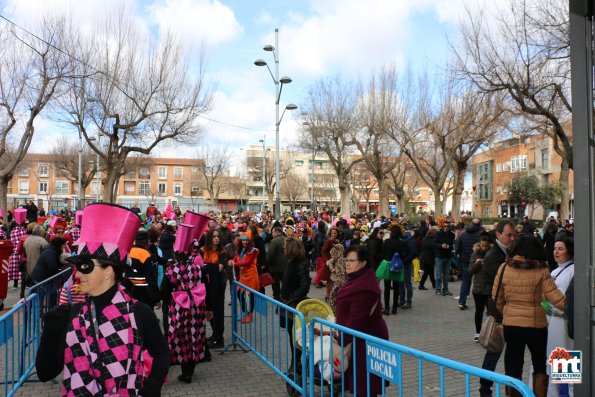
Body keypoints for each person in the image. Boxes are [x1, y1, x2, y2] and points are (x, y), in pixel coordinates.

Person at [35, 203, 169, 396]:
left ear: (108, 272)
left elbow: (162, 353)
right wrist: (51, 331)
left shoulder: (140, 313)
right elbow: (45, 373)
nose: (78, 273)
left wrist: (152, 386)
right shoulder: (71, 315)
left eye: (86, 266)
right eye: (78, 265)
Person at [493, 235, 565, 397]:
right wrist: (570, 307)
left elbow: (496, 298)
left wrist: (507, 312)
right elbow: (554, 297)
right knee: (539, 364)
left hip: (511, 325)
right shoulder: (541, 270)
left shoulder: (504, 267)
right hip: (536, 326)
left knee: (513, 366)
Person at [160, 223, 212, 384]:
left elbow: (164, 292)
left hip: (179, 309)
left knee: (180, 338)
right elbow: (205, 287)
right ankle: (190, 371)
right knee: (194, 336)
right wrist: (209, 308)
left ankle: (183, 370)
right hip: (196, 307)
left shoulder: (172, 271)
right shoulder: (197, 268)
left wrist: (168, 301)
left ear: (176, 253)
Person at [335, 245, 389, 396]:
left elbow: (357, 320)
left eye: (352, 260)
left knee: (366, 386)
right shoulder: (357, 279)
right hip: (358, 340)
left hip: (366, 341)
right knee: (362, 384)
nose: (347, 263)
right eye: (346, 260)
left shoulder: (364, 287)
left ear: (363, 262)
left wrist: (340, 339)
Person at [479, 220, 516, 396]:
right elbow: (496, 290)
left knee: (510, 353)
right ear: (498, 235)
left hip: (513, 312)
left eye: (513, 234)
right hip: (500, 313)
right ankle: (485, 387)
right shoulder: (493, 257)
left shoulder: (510, 252)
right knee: (494, 351)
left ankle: (510, 386)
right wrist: (497, 317)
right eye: (509, 234)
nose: (512, 238)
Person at [545, 238, 574, 397]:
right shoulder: (554, 271)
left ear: (569, 251)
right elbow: (545, 301)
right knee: (553, 366)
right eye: (555, 248)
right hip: (552, 326)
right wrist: (546, 309)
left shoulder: (573, 271)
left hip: (564, 326)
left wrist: (548, 308)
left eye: (561, 249)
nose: (556, 252)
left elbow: (568, 304)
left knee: (565, 366)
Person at [279, 237, 311, 368]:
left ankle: (296, 365)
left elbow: (304, 286)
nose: (284, 249)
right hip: (288, 304)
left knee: (296, 338)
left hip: (295, 306)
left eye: (286, 247)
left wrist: (291, 299)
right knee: (292, 337)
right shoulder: (292, 262)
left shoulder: (301, 263)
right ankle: (296, 364)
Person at [200, 228, 228, 349]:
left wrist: (207, 267)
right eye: (214, 236)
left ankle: (218, 339)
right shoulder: (202, 250)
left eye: (218, 236)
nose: (217, 238)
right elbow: (201, 267)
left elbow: (220, 268)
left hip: (218, 286)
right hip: (206, 285)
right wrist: (212, 267)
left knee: (218, 311)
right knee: (209, 309)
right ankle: (215, 335)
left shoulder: (222, 251)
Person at [228, 234, 260, 324]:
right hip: (243, 276)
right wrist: (231, 261)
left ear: (249, 241)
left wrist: (234, 264)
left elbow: (247, 262)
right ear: (240, 241)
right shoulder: (239, 250)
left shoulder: (253, 251)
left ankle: (250, 315)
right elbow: (235, 259)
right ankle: (244, 311)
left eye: (247, 240)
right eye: (243, 240)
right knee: (239, 294)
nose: (245, 242)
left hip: (251, 276)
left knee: (251, 296)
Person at [127, 229, 161, 308]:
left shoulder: (129, 251)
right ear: (147, 241)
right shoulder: (146, 255)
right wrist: (156, 298)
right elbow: (150, 279)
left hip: (130, 291)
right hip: (144, 294)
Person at [455, 218, 483, 309]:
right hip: (479, 260)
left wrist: (460, 259)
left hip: (466, 260)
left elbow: (458, 248)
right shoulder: (481, 234)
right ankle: (483, 304)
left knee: (465, 282)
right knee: (481, 281)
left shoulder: (463, 234)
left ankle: (461, 302)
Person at [380, 225, 408, 315]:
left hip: (387, 265)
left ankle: (387, 308)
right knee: (396, 287)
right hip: (397, 266)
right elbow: (404, 254)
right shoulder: (402, 243)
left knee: (387, 288)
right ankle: (394, 308)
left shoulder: (387, 242)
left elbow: (383, 253)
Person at [469, 235, 492, 342]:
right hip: (478, 287)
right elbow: (470, 271)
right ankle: (478, 332)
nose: (484, 248)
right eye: (482, 246)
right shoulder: (475, 254)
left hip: (491, 287)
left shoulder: (493, 254)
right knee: (479, 310)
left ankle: (491, 332)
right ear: (479, 245)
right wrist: (477, 264)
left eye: (486, 246)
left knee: (492, 312)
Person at [433, 219, 455, 296]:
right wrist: (441, 245)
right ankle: (438, 289)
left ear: (449, 227)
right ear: (442, 226)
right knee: (438, 275)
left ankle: (445, 289)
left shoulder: (452, 234)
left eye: (447, 226)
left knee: (446, 275)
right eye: (444, 226)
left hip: (448, 257)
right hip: (439, 256)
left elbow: (453, 246)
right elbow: (434, 244)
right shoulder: (438, 234)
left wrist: (449, 246)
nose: (446, 227)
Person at [267, 226, 288, 300]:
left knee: (275, 284)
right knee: (285, 282)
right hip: (286, 266)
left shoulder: (274, 241)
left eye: (272, 232)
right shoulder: (287, 239)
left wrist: (268, 264)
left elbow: (270, 255)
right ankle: (285, 296)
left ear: (276, 232)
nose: (272, 234)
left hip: (275, 267)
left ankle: (277, 297)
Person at [326, 242, 346, 313]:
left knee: (335, 302)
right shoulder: (339, 259)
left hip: (339, 284)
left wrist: (330, 265)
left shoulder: (340, 260)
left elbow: (341, 273)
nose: (332, 252)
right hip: (338, 283)